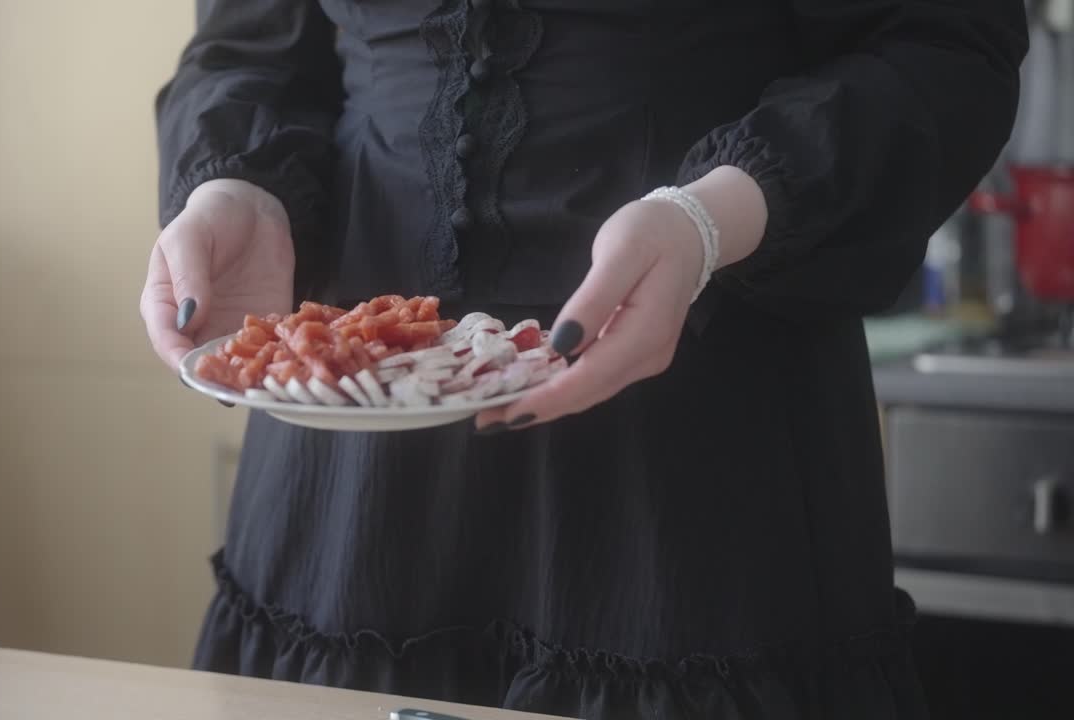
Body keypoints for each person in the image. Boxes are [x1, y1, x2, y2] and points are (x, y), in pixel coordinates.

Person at [141, 2, 1026, 717]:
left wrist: (713, 216)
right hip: (353, 442)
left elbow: (944, 44)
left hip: (698, 444)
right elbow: (248, 46)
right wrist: (233, 182)